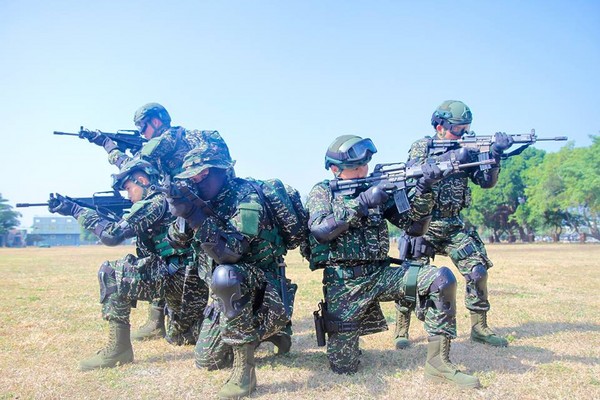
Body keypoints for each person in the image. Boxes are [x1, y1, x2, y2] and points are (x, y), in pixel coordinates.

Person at [305, 135, 480, 388]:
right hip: (345, 283)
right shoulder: (322, 191)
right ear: (335, 169)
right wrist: (363, 202)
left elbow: (415, 226)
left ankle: (438, 364)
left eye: (365, 165)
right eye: (356, 167)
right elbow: (321, 230)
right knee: (344, 367)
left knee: (440, 279)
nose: (363, 171)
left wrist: (424, 189)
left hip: (383, 275)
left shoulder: (378, 188)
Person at [166, 136, 300, 399]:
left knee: (227, 276)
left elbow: (231, 253)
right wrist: (182, 213)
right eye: (191, 177)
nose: (196, 181)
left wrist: (195, 216)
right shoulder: (203, 200)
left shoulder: (245, 197)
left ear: (222, 170)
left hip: (262, 287)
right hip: (226, 295)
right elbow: (175, 242)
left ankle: (245, 372)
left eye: (203, 174)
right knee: (207, 361)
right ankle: (266, 332)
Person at [48, 158, 208, 370]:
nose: (128, 195)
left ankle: (118, 350)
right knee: (182, 336)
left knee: (112, 272)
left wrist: (76, 211)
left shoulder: (156, 201)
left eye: (129, 188)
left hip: (185, 281)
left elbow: (111, 236)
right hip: (185, 282)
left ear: (142, 180)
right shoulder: (163, 201)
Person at [394, 100, 513, 350]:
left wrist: (496, 155)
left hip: (453, 225)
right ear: (440, 126)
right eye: (458, 129)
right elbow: (413, 171)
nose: (464, 133)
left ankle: (479, 327)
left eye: (467, 128)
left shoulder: (469, 147)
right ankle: (401, 330)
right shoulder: (423, 146)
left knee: (478, 270)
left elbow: (485, 181)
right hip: (423, 224)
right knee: (410, 277)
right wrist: (452, 157)